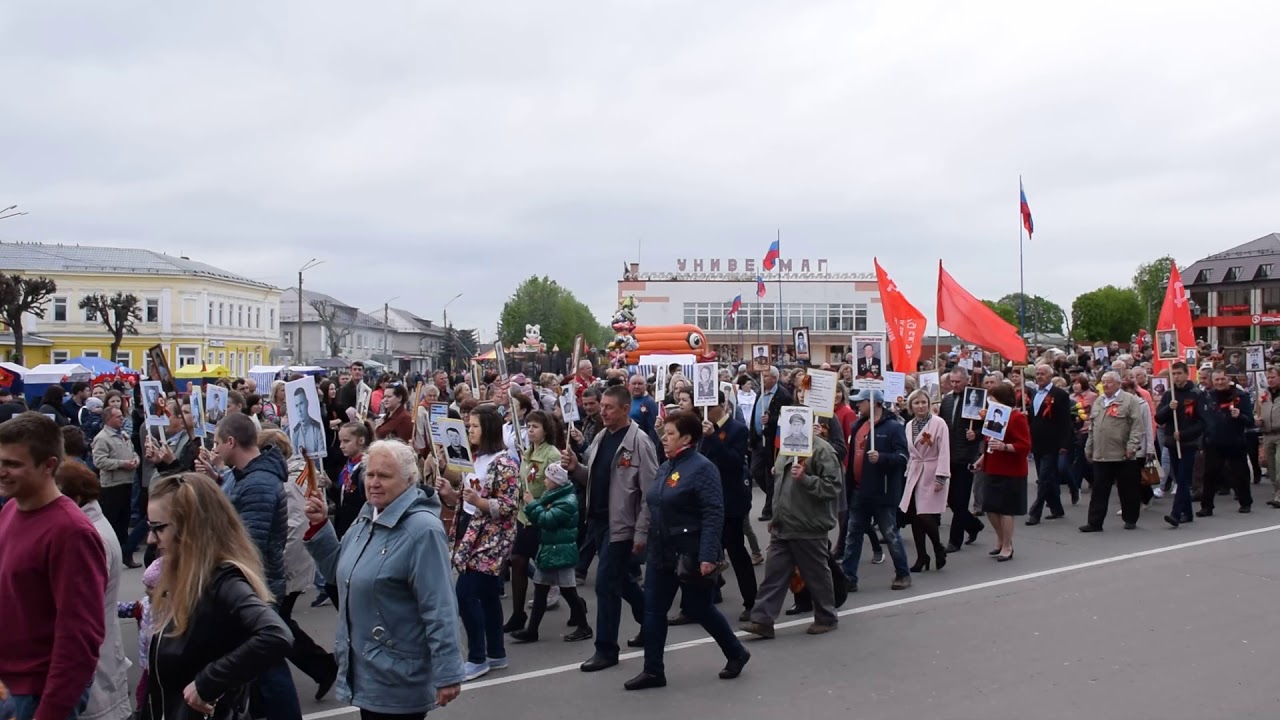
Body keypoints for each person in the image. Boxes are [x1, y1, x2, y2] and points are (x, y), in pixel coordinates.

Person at [305, 440, 465, 717]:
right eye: (370, 474)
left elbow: (438, 606)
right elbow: (338, 572)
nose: (374, 482)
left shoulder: (423, 531)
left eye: (385, 476)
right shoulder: (366, 517)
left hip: (398, 675)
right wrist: (321, 526)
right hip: (367, 668)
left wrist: (448, 670)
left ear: (409, 480)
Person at [145, 473, 295, 720]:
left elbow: (275, 635)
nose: (151, 539)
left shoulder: (223, 582)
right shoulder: (185, 579)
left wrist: (207, 683)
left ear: (189, 528)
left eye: (159, 528)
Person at [624, 410, 749, 691]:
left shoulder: (702, 468)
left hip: (690, 551)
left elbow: (713, 512)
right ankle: (653, 671)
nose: (664, 439)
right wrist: (642, 536)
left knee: (699, 607)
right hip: (661, 550)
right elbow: (652, 501)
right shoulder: (666, 465)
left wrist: (707, 555)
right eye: (664, 434)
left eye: (670, 434)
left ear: (687, 438)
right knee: (654, 611)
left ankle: (736, 652)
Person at [0, 413, 107, 720]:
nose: (1, 471)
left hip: (36, 694)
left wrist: (51, 711)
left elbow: (80, 637)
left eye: (12, 464)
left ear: (49, 466)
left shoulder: (71, 532)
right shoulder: (9, 511)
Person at [561, 384, 658, 674]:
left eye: (609, 407)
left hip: (623, 526)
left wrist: (642, 532)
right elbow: (589, 476)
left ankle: (606, 649)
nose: (602, 412)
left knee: (605, 584)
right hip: (599, 521)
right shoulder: (602, 437)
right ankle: (650, 620)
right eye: (601, 406)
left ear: (625, 409)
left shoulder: (640, 443)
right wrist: (575, 467)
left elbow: (649, 493)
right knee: (619, 580)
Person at [211, 413, 301, 720]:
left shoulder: (259, 481)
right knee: (261, 664)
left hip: (257, 583)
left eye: (217, 442)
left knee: (268, 663)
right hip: (253, 581)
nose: (215, 449)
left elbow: (249, 544)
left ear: (232, 442)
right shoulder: (244, 476)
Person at [435, 404, 520, 682]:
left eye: (473, 426)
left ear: (489, 429)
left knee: (466, 594)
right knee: (486, 596)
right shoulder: (475, 458)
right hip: (471, 531)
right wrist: (451, 494)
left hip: (491, 537)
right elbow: (465, 496)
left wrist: (480, 502)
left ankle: (477, 657)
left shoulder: (504, 462)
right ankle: (496, 653)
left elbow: (508, 506)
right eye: (468, 425)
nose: (468, 430)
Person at [742, 407, 843, 638]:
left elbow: (833, 487)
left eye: (799, 423)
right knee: (774, 574)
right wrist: (775, 516)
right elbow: (779, 488)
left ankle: (826, 616)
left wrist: (806, 479)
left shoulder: (822, 450)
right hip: (784, 525)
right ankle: (762, 620)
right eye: (791, 423)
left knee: (816, 574)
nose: (794, 428)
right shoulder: (787, 448)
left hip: (808, 524)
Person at [253, 430, 339, 701]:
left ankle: (322, 666)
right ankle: (321, 666)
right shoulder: (296, 472)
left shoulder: (290, 479)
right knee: (277, 621)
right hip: (292, 559)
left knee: (275, 622)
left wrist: (275, 561)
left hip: (288, 562)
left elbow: (294, 523)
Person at [54, 462, 132, 720]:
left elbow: (77, 610)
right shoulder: (90, 526)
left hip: (93, 665)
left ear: (74, 498)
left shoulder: (89, 537)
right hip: (98, 658)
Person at [510, 463, 593, 643]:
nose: (545, 481)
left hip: (561, 551)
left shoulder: (567, 501)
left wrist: (532, 504)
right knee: (540, 589)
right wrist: (531, 506)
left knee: (569, 591)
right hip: (550, 549)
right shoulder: (552, 496)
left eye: (548, 478)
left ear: (557, 481)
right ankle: (532, 630)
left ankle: (584, 626)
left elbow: (548, 520)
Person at [842, 389, 912, 591]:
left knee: (890, 534)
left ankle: (902, 573)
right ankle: (848, 577)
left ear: (874, 403)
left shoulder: (893, 428)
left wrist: (882, 458)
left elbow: (903, 457)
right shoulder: (858, 426)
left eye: (861, 402)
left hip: (882, 492)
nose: (857, 406)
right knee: (853, 534)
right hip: (859, 490)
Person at [696, 392, 755, 622]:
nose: (707, 412)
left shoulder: (737, 429)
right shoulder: (702, 429)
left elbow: (733, 462)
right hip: (708, 500)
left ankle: (751, 601)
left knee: (737, 552)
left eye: (710, 407)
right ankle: (704, 598)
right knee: (706, 550)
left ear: (721, 405)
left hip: (730, 500)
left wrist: (713, 438)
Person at [504, 410, 565, 633]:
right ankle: (518, 614)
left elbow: (558, 488)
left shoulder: (552, 455)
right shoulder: (527, 453)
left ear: (546, 430)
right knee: (518, 561)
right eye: (528, 426)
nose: (530, 430)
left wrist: (539, 504)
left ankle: (578, 609)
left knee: (549, 572)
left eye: (535, 426)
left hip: (541, 517)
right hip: (524, 517)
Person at [1081, 372, 1147, 531]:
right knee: (1099, 490)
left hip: (1122, 453)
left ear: (1118, 383)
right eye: (1103, 382)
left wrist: (1132, 446)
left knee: (1127, 489)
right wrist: (1089, 446)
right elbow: (1093, 426)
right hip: (1101, 454)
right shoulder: (1099, 400)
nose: (1105, 385)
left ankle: (1130, 519)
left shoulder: (1129, 400)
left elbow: (1137, 425)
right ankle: (1094, 523)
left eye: (1109, 382)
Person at [977, 382, 1031, 561]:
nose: (989, 401)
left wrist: (1005, 446)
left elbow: (1025, 445)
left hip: (1011, 469)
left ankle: (1007, 545)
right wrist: (982, 459)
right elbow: (989, 442)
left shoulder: (1017, 418)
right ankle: (1000, 539)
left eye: (992, 398)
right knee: (991, 508)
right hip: (992, 466)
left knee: (1006, 509)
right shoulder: (992, 417)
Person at [899, 389, 950, 572]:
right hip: (914, 472)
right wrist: (906, 472)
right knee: (914, 515)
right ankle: (922, 555)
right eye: (916, 403)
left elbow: (944, 451)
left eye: (923, 402)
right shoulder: (909, 425)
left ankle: (937, 546)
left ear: (929, 404)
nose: (920, 406)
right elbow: (910, 452)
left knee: (925, 514)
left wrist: (941, 476)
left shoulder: (938, 423)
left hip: (932, 470)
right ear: (911, 406)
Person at [939, 369, 984, 552]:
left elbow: (989, 427)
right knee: (951, 500)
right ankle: (973, 525)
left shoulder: (977, 399)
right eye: (952, 381)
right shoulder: (947, 400)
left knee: (961, 500)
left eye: (958, 381)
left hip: (966, 456)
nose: (955, 384)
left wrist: (977, 433)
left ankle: (954, 541)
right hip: (948, 456)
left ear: (966, 381)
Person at [1026, 364, 1076, 524]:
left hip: (1052, 442)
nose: (1039, 376)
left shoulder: (1059, 394)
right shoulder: (1035, 394)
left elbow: (1065, 421)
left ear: (1050, 376)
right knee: (1048, 477)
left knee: (1044, 478)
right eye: (1037, 374)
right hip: (1037, 442)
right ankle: (1056, 508)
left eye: (1042, 374)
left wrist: (1064, 443)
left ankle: (1035, 512)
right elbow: (1034, 417)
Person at [91, 407, 139, 547]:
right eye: (118, 417)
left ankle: (124, 549)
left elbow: (132, 451)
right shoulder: (102, 438)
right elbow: (99, 461)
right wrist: (122, 464)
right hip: (112, 485)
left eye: (121, 416)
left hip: (127, 481)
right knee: (113, 519)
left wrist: (136, 460)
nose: (121, 419)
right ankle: (110, 547)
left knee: (124, 518)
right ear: (108, 419)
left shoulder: (123, 434)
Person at [749, 366, 792, 521]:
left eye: (766, 376)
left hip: (772, 441)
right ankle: (774, 497)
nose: (763, 378)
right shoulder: (760, 391)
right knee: (755, 471)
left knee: (770, 474)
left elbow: (787, 417)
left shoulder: (783, 395)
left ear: (774, 378)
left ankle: (769, 509)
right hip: (759, 440)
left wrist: (771, 420)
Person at [288, 387, 326, 457]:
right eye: (296, 405)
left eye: (301, 403)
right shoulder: (295, 432)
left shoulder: (317, 428)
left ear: (307, 403)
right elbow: (295, 455)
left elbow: (321, 453)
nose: (299, 410)